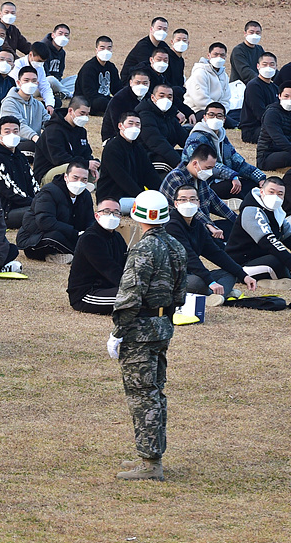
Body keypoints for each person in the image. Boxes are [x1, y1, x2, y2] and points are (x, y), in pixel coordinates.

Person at [108, 190, 187, 481]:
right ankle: (152, 453)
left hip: (139, 331)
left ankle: (150, 461)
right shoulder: (176, 246)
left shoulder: (143, 249)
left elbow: (130, 296)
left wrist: (118, 333)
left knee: (142, 396)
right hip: (163, 326)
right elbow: (180, 291)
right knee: (155, 392)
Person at [166, 185, 256, 305]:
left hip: (191, 274)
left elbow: (216, 253)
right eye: (183, 199)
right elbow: (189, 257)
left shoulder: (198, 225)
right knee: (199, 282)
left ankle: (215, 296)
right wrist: (210, 281)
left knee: (229, 274)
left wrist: (243, 275)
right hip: (172, 277)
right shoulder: (171, 226)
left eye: (193, 199)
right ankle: (218, 293)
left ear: (198, 203)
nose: (188, 202)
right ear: (176, 203)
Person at [224, 177, 291, 288]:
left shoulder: (278, 212)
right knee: (278, 262)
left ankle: (276, 279)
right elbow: (268, 241)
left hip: (263, 258)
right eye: (271, 192)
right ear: (261, 191)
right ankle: (288, 279)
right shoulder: (251, 210)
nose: (275, 197)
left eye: (280, 194)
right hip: (241, 262)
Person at [183, 102, 266, 199]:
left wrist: (260, 177)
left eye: (219, 116)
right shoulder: (196, 138)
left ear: (224, 119)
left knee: (252, 183)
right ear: (204, 117)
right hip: (202, 182)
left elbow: (237, 161)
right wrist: (232, 176)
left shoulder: (222, 137)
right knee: (231, 186)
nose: (215, 118)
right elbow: (206, 166)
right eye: (211, 115)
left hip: (222, 179)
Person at [17, 162, 94, 263]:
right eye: (75, 178)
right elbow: (45, 222)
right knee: (55, 237)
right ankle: (84, 255)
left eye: (84, 179)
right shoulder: (49, 192)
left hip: (68, 234)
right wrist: (75, 233)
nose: (79, 182)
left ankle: (62, 255)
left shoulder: (85, 195)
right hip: (37, 237)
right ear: (66, 177)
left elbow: (90, 220)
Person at [160, 143, 237, 239]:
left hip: (197, 224)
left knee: (233, 227)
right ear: (195, 163)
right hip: (178, 228)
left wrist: (238, 220)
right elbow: (191, 208)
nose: (210, 172)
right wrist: (209, 225)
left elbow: (216, 202)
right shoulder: (176, 178)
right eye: (208, 168)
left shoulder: (199, 177)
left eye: (212, 168)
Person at [67, 199, 128, 314]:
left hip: (109, 288)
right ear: (97, 215)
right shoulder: (90, 238)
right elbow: (109, 269)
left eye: (116, 212)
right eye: (106, 211)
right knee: (134, 297)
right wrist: (132, 286)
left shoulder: (118, 238)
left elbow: (125, 265)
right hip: (87, 294)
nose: (112, 215)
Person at [97, 112, 161, 213]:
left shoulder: (138, 148)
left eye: (137, 124)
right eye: (130, 123)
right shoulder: (112, 148)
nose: (134, 127)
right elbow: (122, 178)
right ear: (120, 126)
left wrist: (161, 193)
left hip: (133, 196)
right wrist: (142, 197)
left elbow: (149, 173)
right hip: (113, 197)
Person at [33, 96, 97, 185]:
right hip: (48, 173)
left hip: (76, 169)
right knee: (72, 168)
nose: (85, 117)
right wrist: (86, 164)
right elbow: (59, 159)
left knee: (101, 170)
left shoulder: (81, 131)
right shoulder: (53, 130)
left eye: (87, 114)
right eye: (82, 113)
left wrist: (93, 165)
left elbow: (86, 153)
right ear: (71, 111)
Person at [0, 117, 37, 230]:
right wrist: (34, 202)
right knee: (41, 211)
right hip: (5, 212)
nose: (12, 135)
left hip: (26, 205)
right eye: (7, 132)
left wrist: (40, 199)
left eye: (15, 131)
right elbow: (9, 190)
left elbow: (32, 182)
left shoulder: (21, 157)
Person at [257, 81, 291, 170]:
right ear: (280, 96)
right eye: (286, 96)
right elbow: (277, 137)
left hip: (287, 152)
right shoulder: (271, 113)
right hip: (267, 156)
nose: (290, 100)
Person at [136, 84, 186, 173]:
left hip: (163, 154)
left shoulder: (169, 115)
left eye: (169, 97)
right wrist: (178, 162)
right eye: (161, 96)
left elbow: (183, 137)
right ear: (152, 97)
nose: (165, 99)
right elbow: (157, 142)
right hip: (147, 157)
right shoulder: (144, 116)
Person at [0, 66, 49, 154]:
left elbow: (47, 122)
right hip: (13, 143)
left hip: (33, 141)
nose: (30, 83)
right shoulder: (9, 103)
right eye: (26, 80)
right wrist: (35, 137)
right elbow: (19, 125)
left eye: (34, 81)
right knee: (35, 147)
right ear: (19, 82)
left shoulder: (38, 105)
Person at [74, 36, 121, 115]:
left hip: (105, 98)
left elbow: (117, 87)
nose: (106, 51)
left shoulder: (111, 67)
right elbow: (89, 94)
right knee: (103, 102)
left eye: (109, 48)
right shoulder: (89, 68)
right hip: (88, 101)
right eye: (102, 48)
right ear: (96, 50)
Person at [239, 51, 280, 143]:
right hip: (253, 129)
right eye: (264, 64)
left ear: (276, 67)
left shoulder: (275, 88)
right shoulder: (253, 86)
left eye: (271, 64)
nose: (268, 67)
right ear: (258, 66)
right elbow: (259, 112)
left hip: (270, 125)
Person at [102, 69, 151, 142]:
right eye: (137, 82)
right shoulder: (119, 99)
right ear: (131, 82)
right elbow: (116, 124)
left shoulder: (149, 98)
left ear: (149, 83)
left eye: (145, 83)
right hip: (116, 136)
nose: (141, 86)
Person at [120, 17, 173, 82]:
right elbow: (148, 69)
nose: (162, 31)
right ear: (151, 29)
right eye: (159, 28)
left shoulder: (163, 46)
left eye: (164, 29)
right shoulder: (142, 47)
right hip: (133, 82)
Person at [184, 42, 232, 114]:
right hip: (197, 110)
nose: (219, 57)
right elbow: (200, 100)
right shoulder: (200, 73)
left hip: (218, 111)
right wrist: (217, 111)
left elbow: (226, 99)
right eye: (215, 54)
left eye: (222, 55)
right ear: (209, 56)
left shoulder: (224, 75)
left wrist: (222, 111)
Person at [9, 42, 56, 110]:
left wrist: (50, 105)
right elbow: (14, 87)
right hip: (18, 97)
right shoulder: (17, 65)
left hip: (32, 94)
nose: (40, 64)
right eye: (39, 61)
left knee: (56, 102)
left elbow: (45, 87)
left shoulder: (40, 67)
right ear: (31, 54)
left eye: (43, 62)